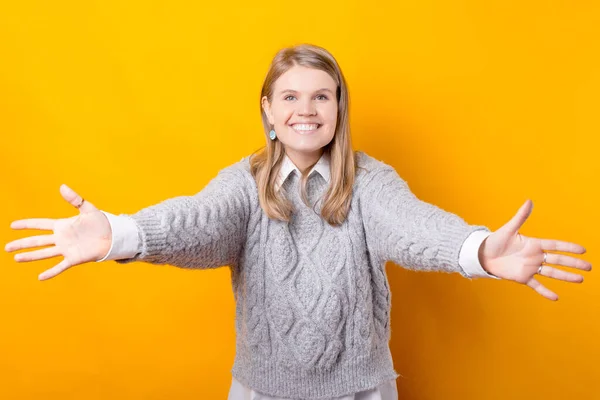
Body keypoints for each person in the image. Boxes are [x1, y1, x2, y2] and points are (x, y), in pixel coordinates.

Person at [4, 44, 592, 400]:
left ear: (339, 108)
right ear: (267, 109)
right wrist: (121, 233)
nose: (305, 110)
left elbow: (413, 226)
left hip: (360, 388)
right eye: (289, 97)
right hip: (263, 390)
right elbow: (199, 220)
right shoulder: (243, 181)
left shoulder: (371, 181)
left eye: (321, 96)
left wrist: (478, 251)